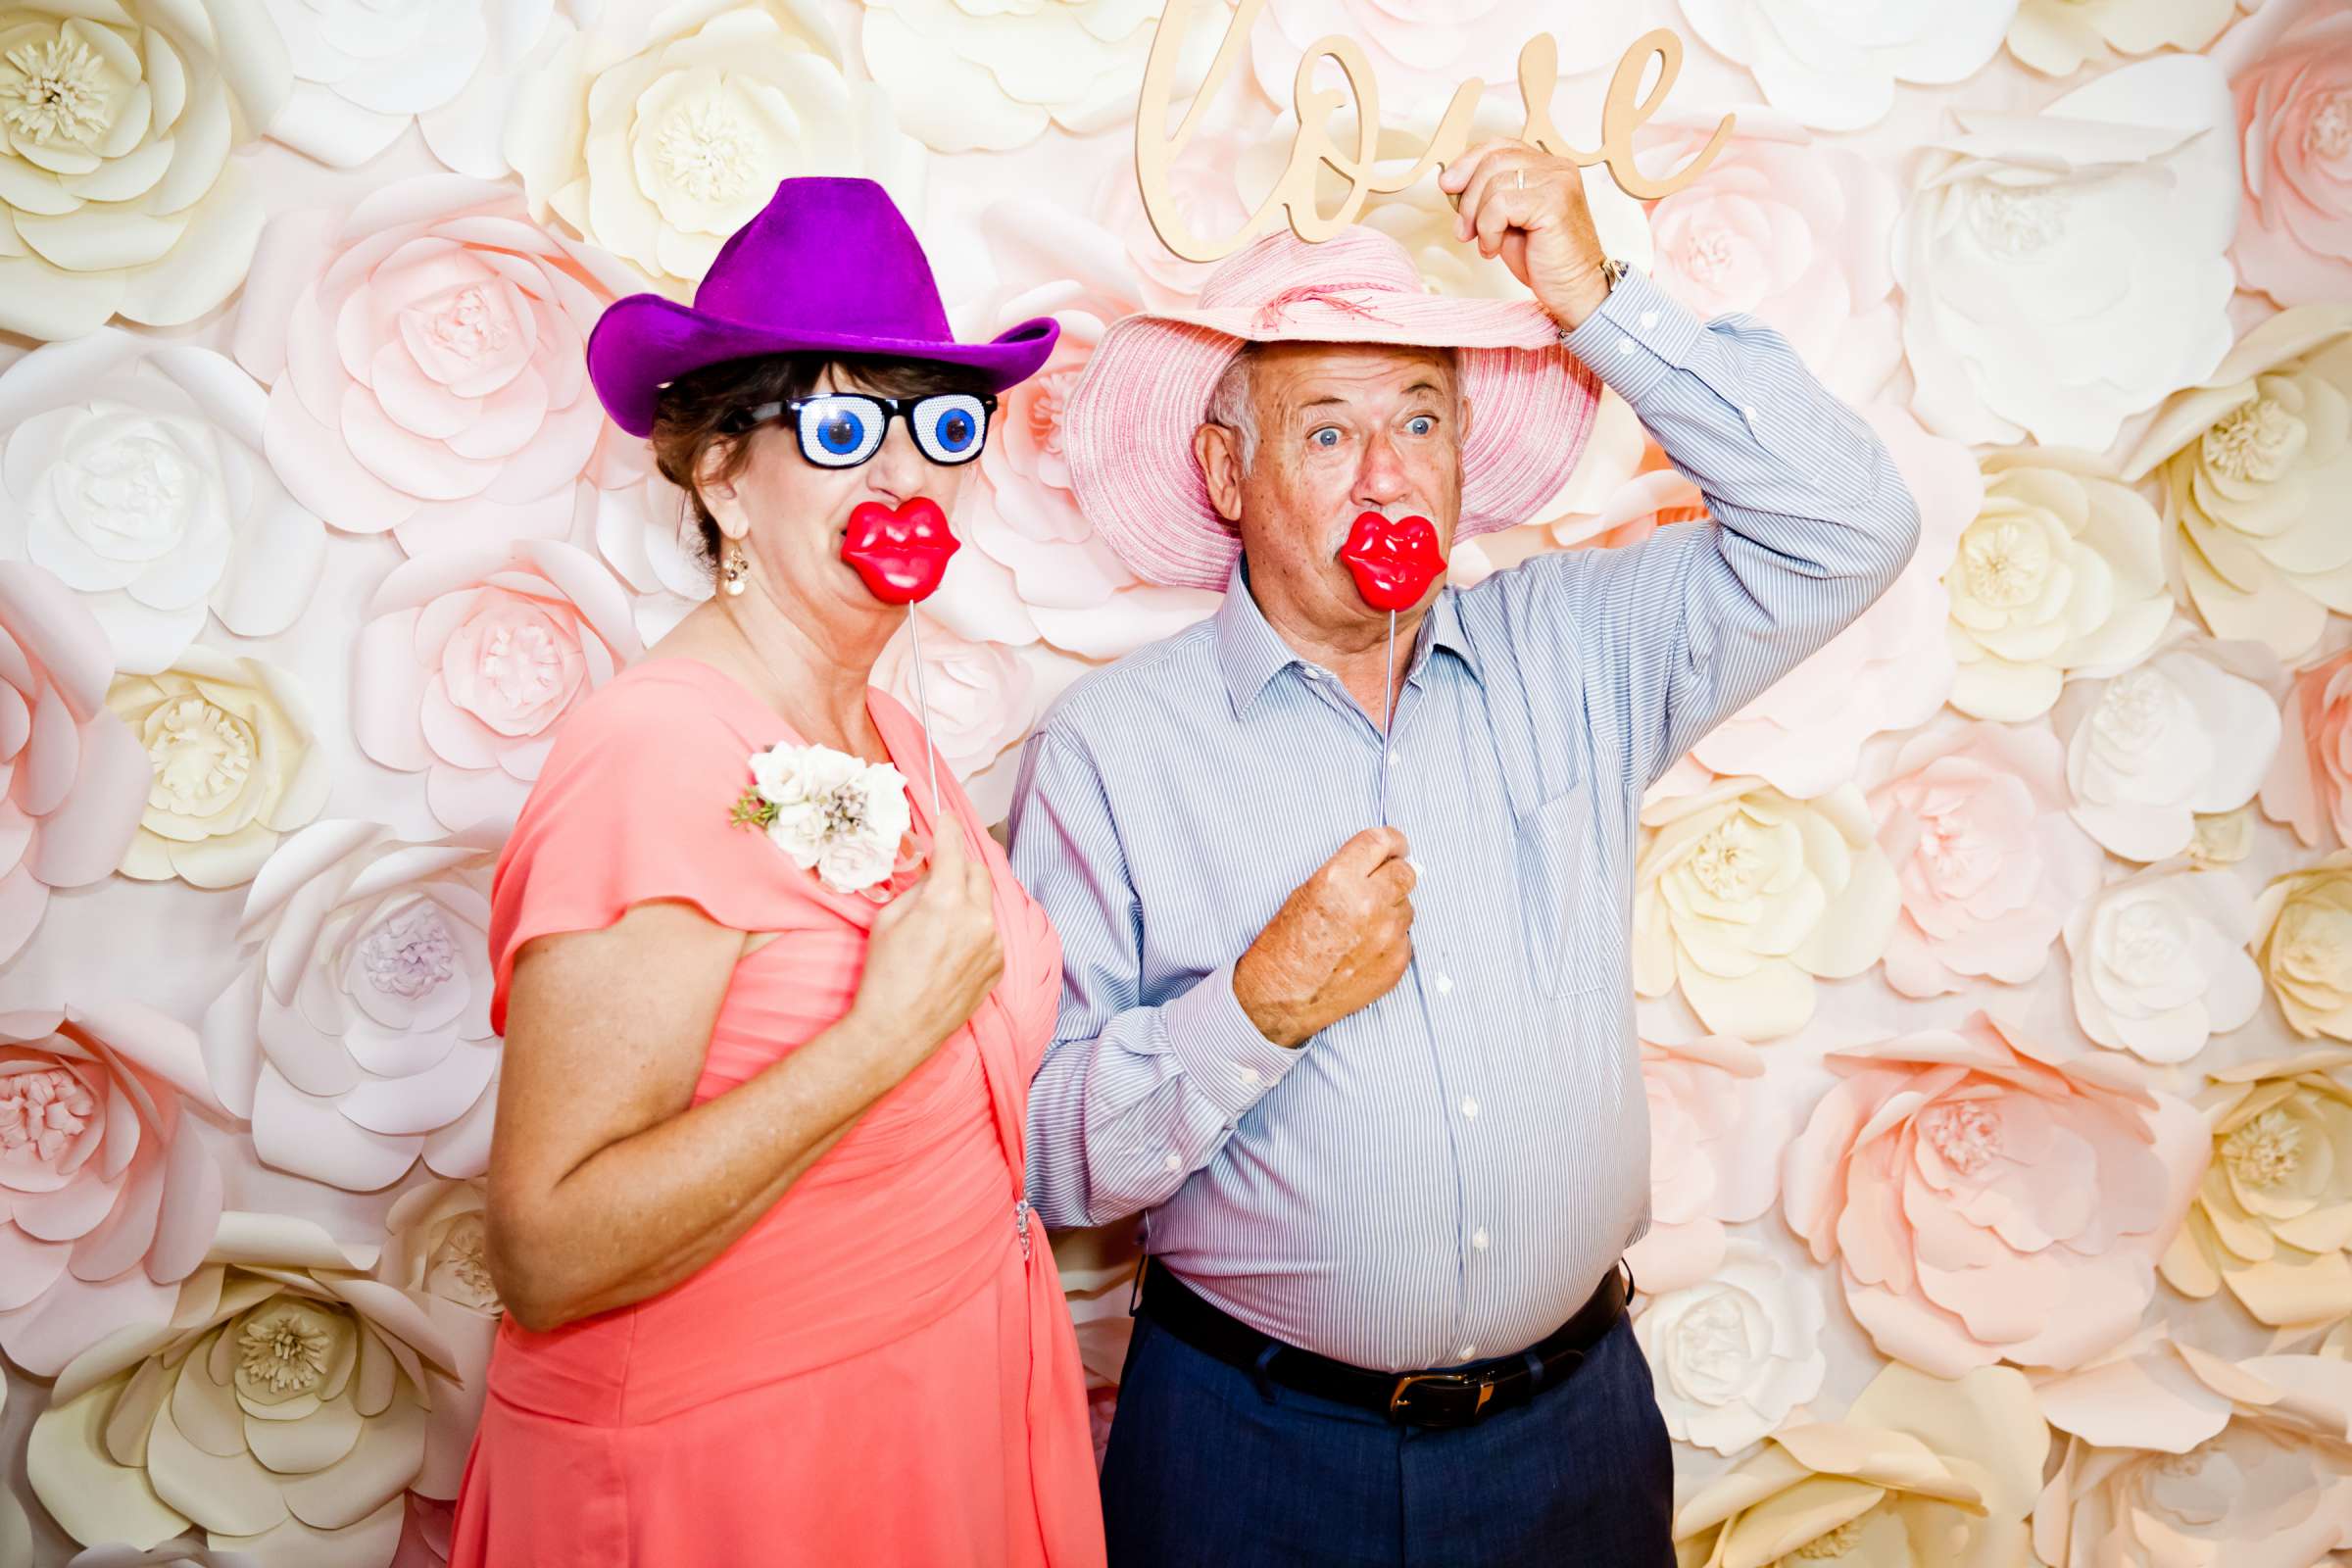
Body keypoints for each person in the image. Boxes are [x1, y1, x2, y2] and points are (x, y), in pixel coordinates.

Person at [1005, 141, 1923, 1564]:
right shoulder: (1112, 751)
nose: (1388, 477)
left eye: (1422, 422)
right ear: (1225, 473)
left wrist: (1596, 295)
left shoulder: (1574, 646)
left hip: (1574, 1439)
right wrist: (1254, 1013)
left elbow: (1849, 528)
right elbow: (1052, 1156)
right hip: (1253, 1451)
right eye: (1326, 432)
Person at [450, 176, 1105, 1568]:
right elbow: (549, 1251)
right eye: (840, 425)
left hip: (924, 1421)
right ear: (716, 474)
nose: (903, 477)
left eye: (938, 426)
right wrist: (881, 1037)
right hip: (737, 1482)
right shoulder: (651, 754)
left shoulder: (890, 731)